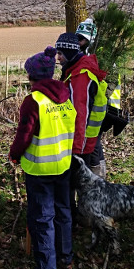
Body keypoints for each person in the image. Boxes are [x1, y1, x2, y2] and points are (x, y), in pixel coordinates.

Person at [9, 46, 77, 269]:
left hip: (40, 170)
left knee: (42, 219)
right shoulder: (66, 96)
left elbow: (24, 134)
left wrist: (14, 155)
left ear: (32, 76)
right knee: (63, 213)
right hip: (64, 165)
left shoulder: (33, 100)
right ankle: (65, 260)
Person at [55, 31, 108, 223]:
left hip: (82, 141)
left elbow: (81, 115)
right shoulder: (76, 70)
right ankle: (79, 216)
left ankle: (77, 219)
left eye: (60, 53)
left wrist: (76, 147)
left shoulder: (80, 76)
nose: (57, 57)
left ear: (69, 52)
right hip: (84, 139)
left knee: (76, 183)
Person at [75, 18, 107, 178]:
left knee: (93, 146)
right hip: (94, 112)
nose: (78, 43)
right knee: (95, 146)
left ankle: (98, 178)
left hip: (96, 114)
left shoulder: (97, 58)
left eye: (81, 39)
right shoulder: (84, 57)